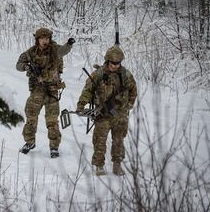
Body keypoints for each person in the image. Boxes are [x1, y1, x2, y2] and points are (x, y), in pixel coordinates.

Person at [76, 45, 137, 176]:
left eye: (118, 63)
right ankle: (99, 165)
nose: (115, 65)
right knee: (100, 140)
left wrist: (128, 107)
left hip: (120, 114)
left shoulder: (125, 74)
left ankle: (117, 164)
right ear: (107, 60)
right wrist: (81, 105)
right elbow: (87, 91)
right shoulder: (98, 74)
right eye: (113, 63)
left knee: (119, 140)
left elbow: (133, 91)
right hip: (102, 113)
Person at [16, 28, 75, 158]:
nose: (45, 41)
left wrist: (69, 44)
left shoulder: (54, 50)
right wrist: (27, 67)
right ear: (37, 39)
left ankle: (54, 147)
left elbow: (63, 50)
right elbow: (18, 65)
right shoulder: (31, 52)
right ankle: (29, 142)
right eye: (42, 38)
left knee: (52, 120)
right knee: (31, 116)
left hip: (52, 90)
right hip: (37, 90)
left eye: (47, 38)